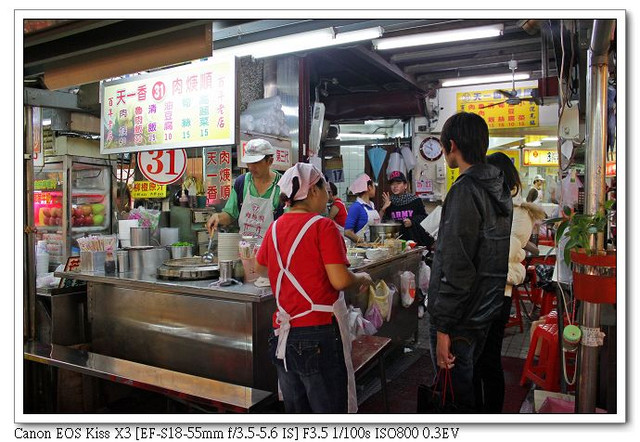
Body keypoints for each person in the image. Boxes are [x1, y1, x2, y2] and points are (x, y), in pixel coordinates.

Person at [254, 163, 372, 413]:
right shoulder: (323, 226)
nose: (328, 196)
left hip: (283, 335)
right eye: (325, 189)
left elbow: (260, 268)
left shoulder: (274, 228)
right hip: (317, 335)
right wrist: (360, 278)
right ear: (315, 191)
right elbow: (339, 280)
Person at [426, 112, 513, 412]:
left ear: (452, 145)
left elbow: (456, 266)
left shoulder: (465, 190)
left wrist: (442, 328)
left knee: (456, 399)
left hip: (460, 319)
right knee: (468, 389)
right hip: (483, 310)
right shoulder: (498, 189)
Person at [474, 152, 545, 412]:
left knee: (488, 359)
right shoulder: (495, 207)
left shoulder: (516, 213)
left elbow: (499, 255)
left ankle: (489, 415)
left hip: (495, 292)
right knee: (479, 359)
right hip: (487, 291)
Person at [206, 139, 283, 239]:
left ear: (270, 161)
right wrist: (218, 217)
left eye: (256, 162)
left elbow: (288, 223)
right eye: (248, 163)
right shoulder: (241, 182)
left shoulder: (283, 185)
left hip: (272, 248)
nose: (251, 167)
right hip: (245, 250)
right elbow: (230, 214)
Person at [378, 170, 434, 248]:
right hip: (394, 244)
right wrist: (383, 208)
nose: (395, 186)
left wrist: (412, 221)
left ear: (405, 185)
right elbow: (381, 223)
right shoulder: (388, 202)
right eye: (392, 184)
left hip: (413, 242)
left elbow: (424, 218)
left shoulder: (415, 200)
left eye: (398, 183)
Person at [343, 173, 380, 244]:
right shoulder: (356, 207)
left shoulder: (371, 205)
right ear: (369, 187)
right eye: (374, 186)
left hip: (373, 247)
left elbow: (375, 223)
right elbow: (347, 232)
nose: (375, 189)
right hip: (360, 251)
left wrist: (383, 210)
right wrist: (363, 243)